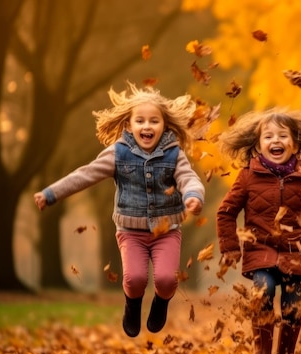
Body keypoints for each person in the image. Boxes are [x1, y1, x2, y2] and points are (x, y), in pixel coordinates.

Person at [34, 82, 205, 338]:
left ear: (165, 125)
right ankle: (132, 305)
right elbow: (86, 174)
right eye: (140, 120)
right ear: (129, 125)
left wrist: (193, 196)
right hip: (130, 232)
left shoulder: (174, 154)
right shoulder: (118, 153)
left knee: (167, 280)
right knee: (135, 279)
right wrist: (51, 193)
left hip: (166, 231)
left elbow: (188, 178)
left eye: (154, 121)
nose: (147, 126)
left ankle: (161, 303)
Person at [216, 108, 301, 354]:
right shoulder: (247, 176)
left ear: (295, 143)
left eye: (282, 135)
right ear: (258, 145)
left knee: (293, 305)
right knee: (262, 291)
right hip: (259, 250)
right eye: (268, 136)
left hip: (295, 253)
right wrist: (230, 247)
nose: (275, 141)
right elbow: (225, 212)